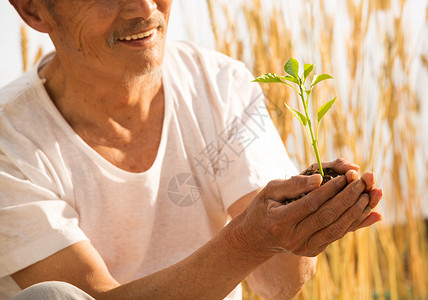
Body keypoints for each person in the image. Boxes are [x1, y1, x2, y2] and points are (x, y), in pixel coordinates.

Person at [0, 0, 383, 299]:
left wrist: (304, 215)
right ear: (34, 9)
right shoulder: (10, 140)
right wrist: (249, 239)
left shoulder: (220, 86)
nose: (145, 8)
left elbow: (277, 284)